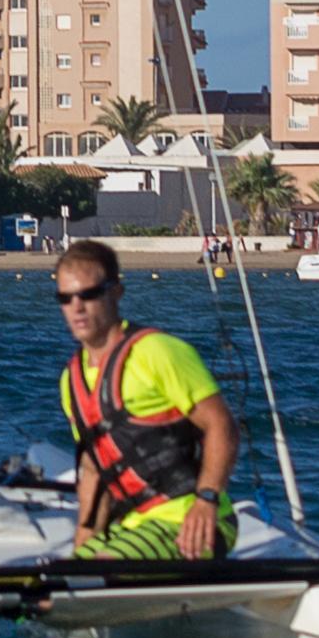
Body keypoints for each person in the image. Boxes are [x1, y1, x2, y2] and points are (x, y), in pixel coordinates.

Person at [51, 238, 237, 557]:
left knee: (79, 586)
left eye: (89, 294)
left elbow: (221, 426)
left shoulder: (158, 352)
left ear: (116, 292)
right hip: (133, 524)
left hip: (195, 523)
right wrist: (81, 546)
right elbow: (95, 470)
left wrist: (206, 501)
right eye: (66, 298)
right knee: (48, 591)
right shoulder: (72, 380)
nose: (77, 307)